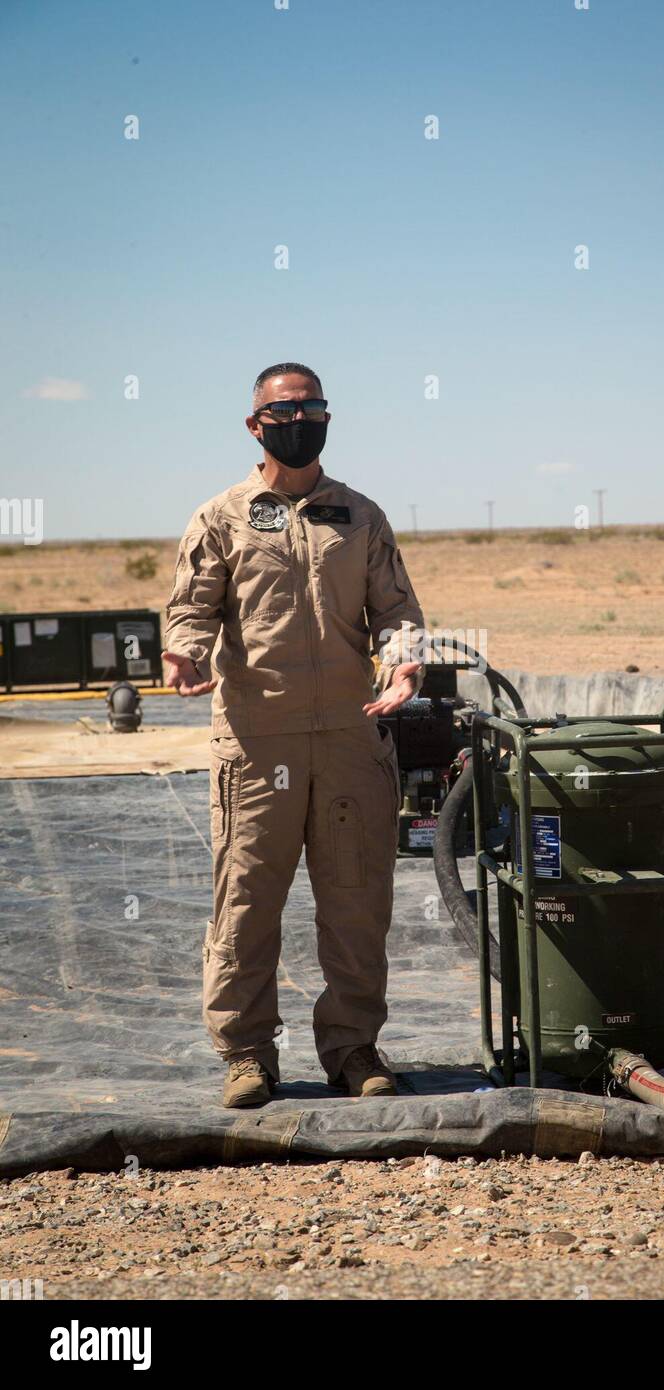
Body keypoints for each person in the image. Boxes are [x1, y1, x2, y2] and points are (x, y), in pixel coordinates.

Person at [162, 362, 425, 1108]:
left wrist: (404, 666)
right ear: (255, 425)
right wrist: (182, 652)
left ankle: (354, 1051)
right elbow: (191, 606)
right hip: (257, 740)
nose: (298, 418)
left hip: (350, 735)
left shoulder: (360, 516)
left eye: (311, 406)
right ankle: (247, 1056)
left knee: (356, 900)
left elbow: (397, 611)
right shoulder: (222, 516)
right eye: (283, 410)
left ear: (328, 418)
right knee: (247, 900)